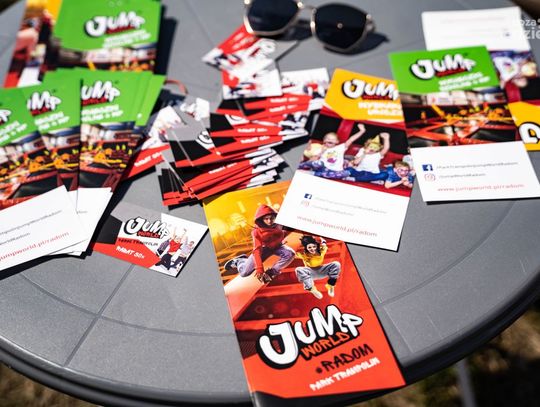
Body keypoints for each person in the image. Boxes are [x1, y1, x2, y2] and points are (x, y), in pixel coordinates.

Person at [224, 205, 294, 283]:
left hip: (278, 246)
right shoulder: (256, 231)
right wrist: (260, 269)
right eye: (266, 219)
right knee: (244, 273)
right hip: (263, 249)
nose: (269, 221)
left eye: (271, 218)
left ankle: (272, 272)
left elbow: (286, 231)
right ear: (262, 219)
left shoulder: (280, 224)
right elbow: (257, 250)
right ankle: (239, 261)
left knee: (290, 254)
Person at [298, 123, 367, 180]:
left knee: (346, 173)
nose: (330, 140)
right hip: (323, 169)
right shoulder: (321, 148)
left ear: (337, 142)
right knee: (318, 163)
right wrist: (321, 152)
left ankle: (316, 174)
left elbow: (351, 140)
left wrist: (361, 131)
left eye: (333, 139)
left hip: (335, 171)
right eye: (327, 138)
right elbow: (312, 161)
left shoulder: (340, 147)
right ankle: (301, 167)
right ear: (324, 140)